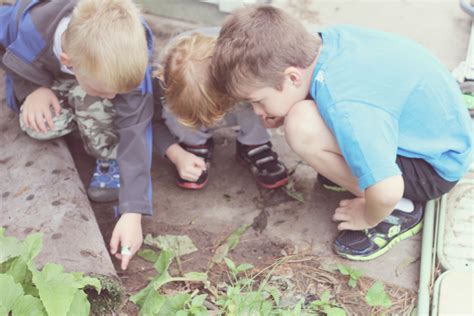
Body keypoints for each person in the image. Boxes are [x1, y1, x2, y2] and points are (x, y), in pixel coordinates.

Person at [211, 5, 473, 260]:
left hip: (433, 168)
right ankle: (361, 175)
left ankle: (398, 212)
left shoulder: (346, 106)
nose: (256, 111)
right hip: (437, 136)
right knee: (302, 114)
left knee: (301, 126)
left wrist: (368, 214)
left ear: (292, 78)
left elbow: (388, 188)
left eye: (258, 100)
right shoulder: (326, 44)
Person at [1, 0, 155, 269]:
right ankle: (78, 114)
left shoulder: (130, 47)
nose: (112, 98)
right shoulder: (33, 27)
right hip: (48, 74)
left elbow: (135, 130)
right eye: (106, 91)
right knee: (38, 124)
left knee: (103, 105)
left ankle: (107, 157)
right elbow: (7, 45)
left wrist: (133, 211)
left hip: (83, 76)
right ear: (68, 62)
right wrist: (31, 88)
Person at [152, 29, 289, 190]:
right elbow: (152, 122)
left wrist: (272, 111)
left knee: (254, 96)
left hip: (236, 96)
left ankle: (254, 141)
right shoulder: (161, 80)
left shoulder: (245, 61)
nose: (210, 121)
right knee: (170, 109)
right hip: (187, 99)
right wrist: (177, 155)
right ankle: (194, 144)